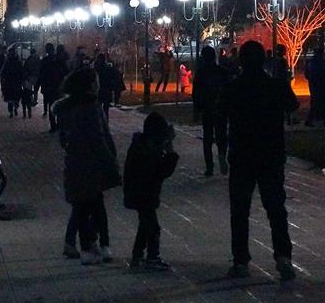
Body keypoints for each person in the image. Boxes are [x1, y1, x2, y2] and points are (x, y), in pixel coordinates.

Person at [219, 40, 299, 281]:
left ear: (240, 61)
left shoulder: (233, 87)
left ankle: (241, 260)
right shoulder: (276, 86)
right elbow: (293, 106)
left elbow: (221, 118)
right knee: (275, 208)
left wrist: (222, 153)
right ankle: (283, 257)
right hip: (270, 154)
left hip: (242, 154)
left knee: (240, 210)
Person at [57, 67, 120, 265]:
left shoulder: (67, 107)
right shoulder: (91, 107)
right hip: (92, 163)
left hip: (75, 163)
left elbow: (64, 138)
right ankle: (100, 246)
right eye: (96, 81)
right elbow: (99, 138)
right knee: (95, 206)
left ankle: (86, 246)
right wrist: (110, 161)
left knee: (83, 205)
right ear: (90, 85)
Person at [123, 111, 179, 270]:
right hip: (143, 195)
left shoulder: (142, 146)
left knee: (145, 225)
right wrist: (170, 150)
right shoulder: (146, 150)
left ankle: (137, 255)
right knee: (152, 227)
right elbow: (162, 171)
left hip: (142, 194)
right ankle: (152, 257)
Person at [192, 46, 230, 176]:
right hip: (221, 109)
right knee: (222, 135)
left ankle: (209, 167)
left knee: (207, 137)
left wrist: (196, 110)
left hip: (207, 108)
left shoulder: (201, 73)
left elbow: (196, 93)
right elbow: (228, 91)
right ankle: (221, 154)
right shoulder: (223, 72)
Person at [38, 43, 69, 131]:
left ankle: (53, 125)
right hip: (58, 86)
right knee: (59, 105)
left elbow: (41, 75)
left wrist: (38, 88)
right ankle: (59, 123)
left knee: (51, 106)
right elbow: (66, 71)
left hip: (48, 87)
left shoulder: (45, 60)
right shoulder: (58, 60)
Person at [304, 48, 325, 127]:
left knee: (314, 101)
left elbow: (306, 75)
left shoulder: (310, 62)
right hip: (318, 84)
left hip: (312, 84)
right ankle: (312, 118)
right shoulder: (320, 62)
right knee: (317, 101)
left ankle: (315, 117)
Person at [0, 47, 24, 117]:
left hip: (9, 82)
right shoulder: (18, 61)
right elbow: (21, 71)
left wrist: (3, 80)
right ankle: (15, 107)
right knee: (16, 96)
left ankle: (11, 111)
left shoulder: (7, 61)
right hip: (16, 82)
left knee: (9, 97)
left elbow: (3, 72)